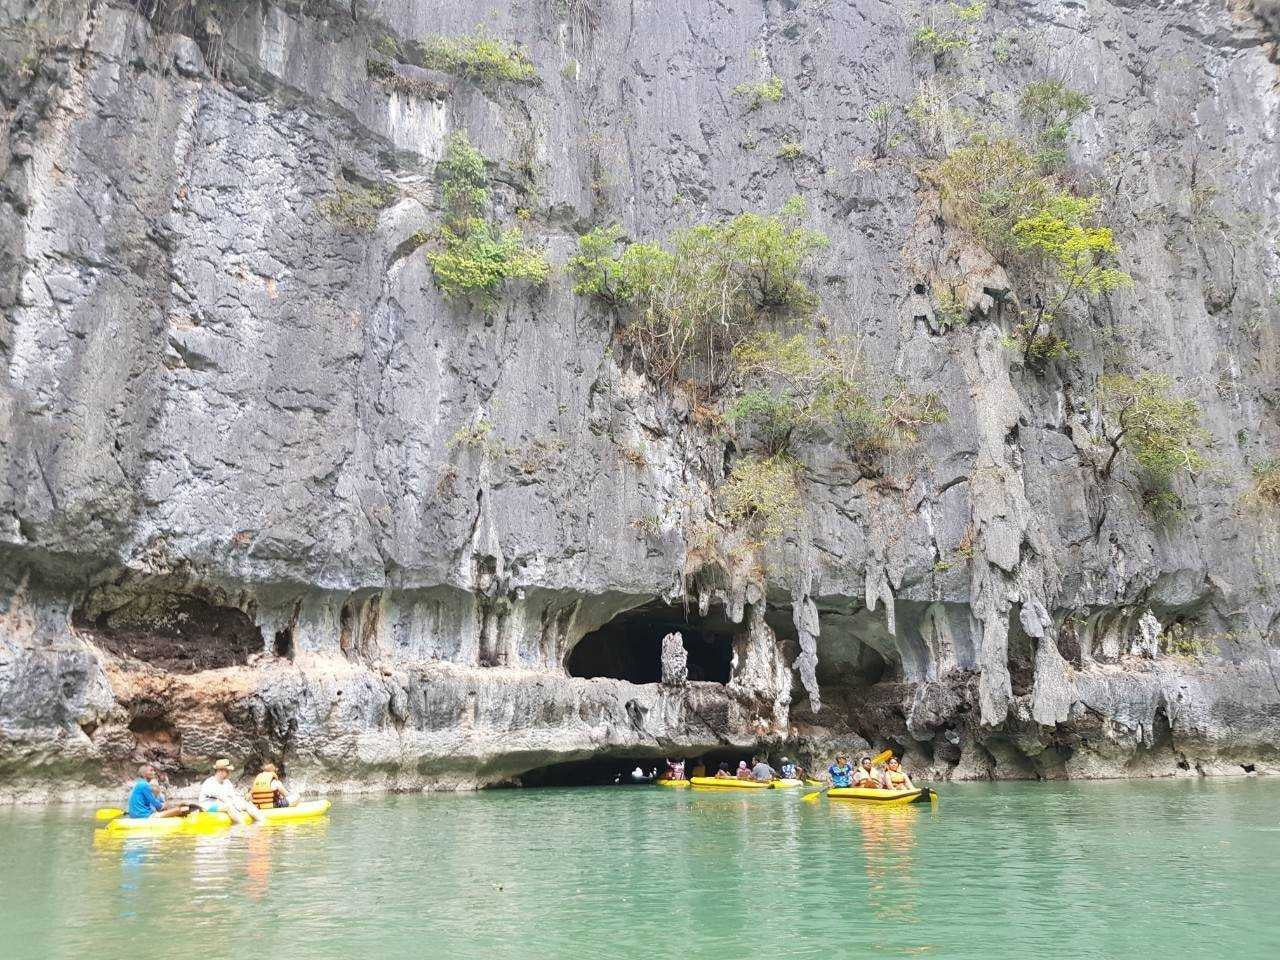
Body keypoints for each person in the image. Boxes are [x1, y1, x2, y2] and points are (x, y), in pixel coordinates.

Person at [198, 758, 263, 824]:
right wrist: (238, 808)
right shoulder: (210, 783)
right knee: (228, 807)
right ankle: (243, 826)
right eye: (227, 771)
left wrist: (244, 802)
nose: (229, 773)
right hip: (208, 807)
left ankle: (261, 822)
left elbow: (233, 796)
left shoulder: (227, 782)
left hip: (222, 802)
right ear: (220, 771)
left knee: (246, 803)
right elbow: (224, 799)